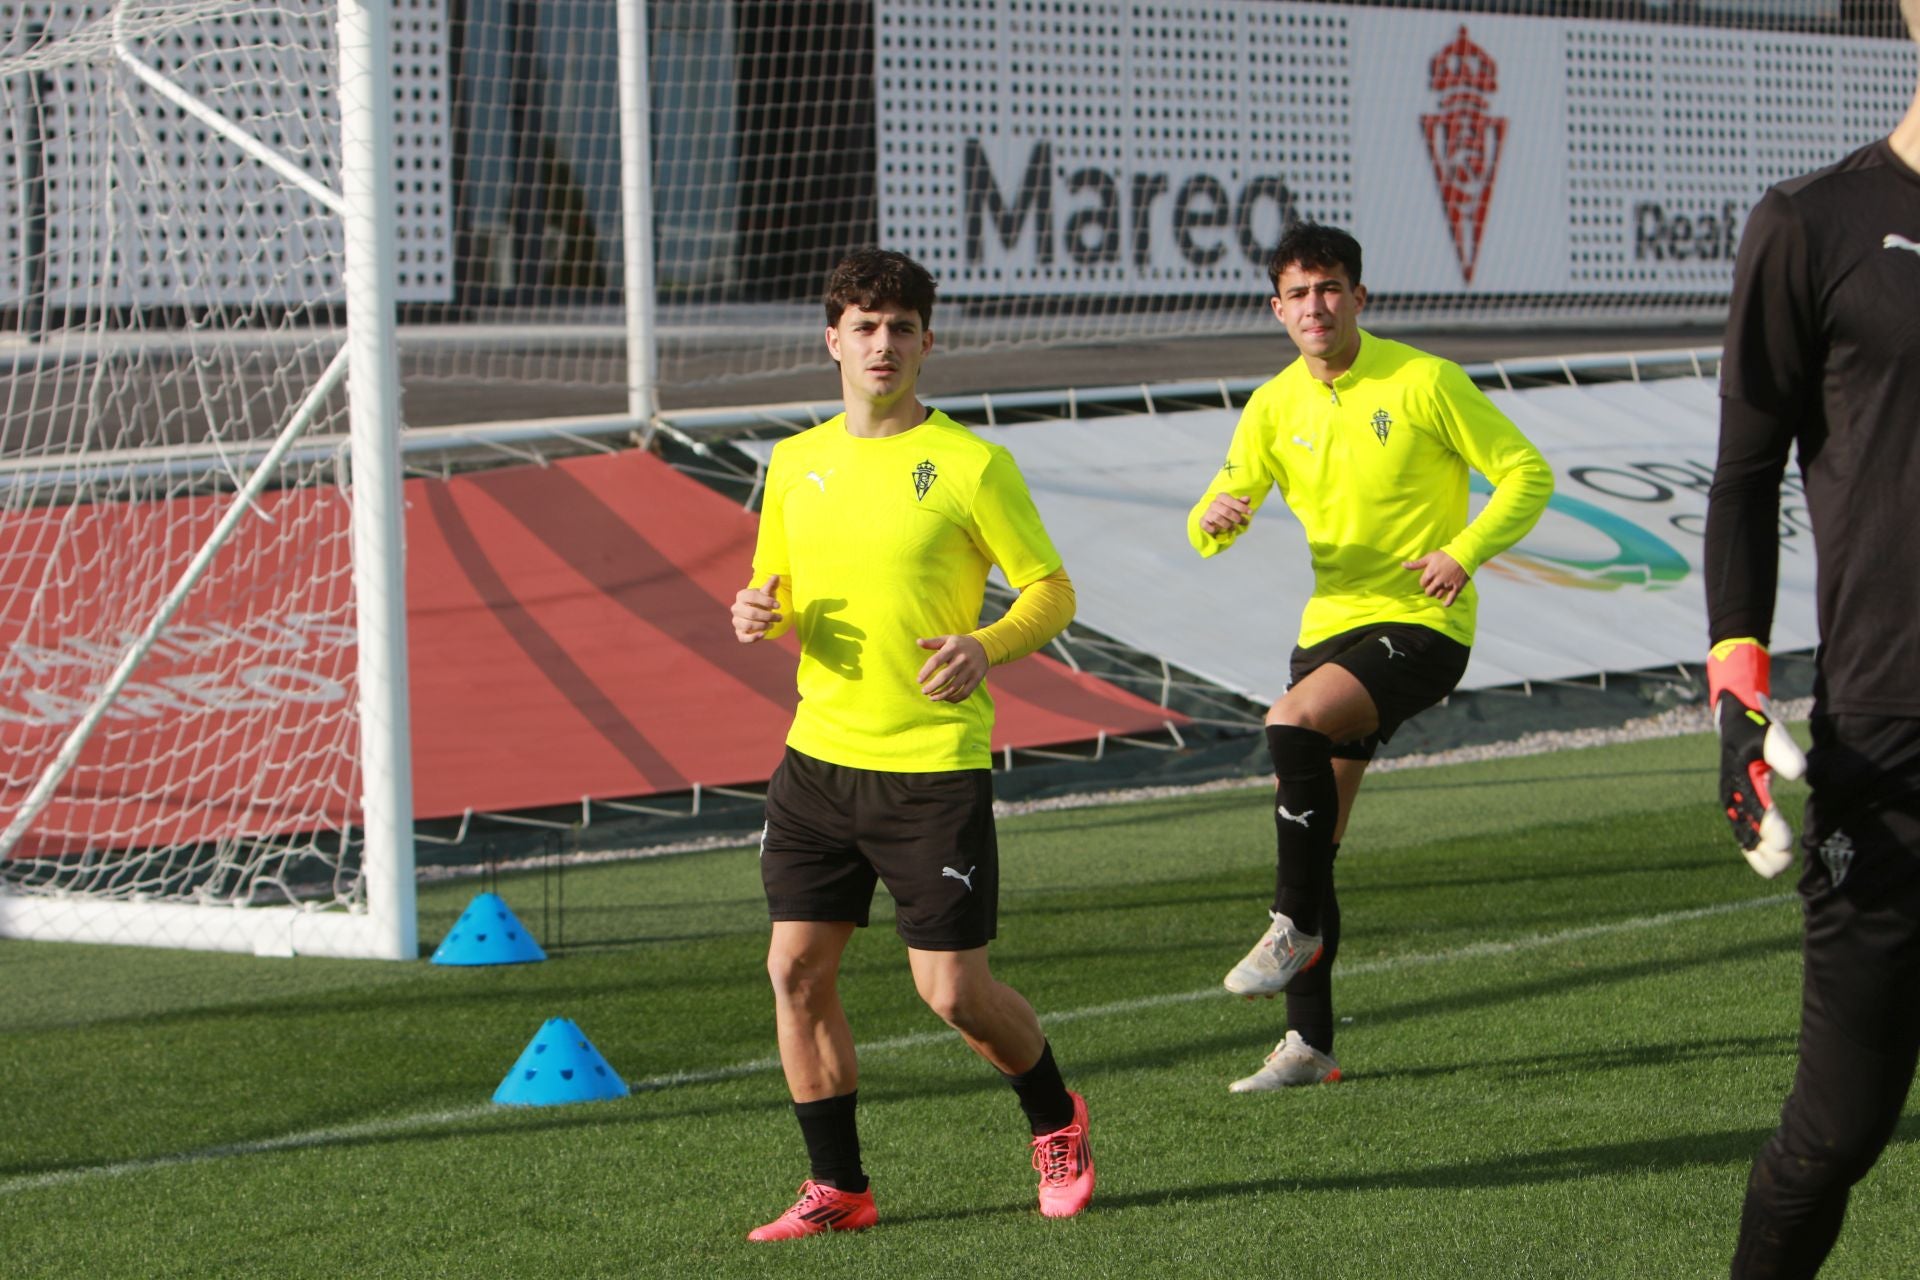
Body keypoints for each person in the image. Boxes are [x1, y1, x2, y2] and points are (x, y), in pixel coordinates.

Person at [728, 248, 1093, 1241]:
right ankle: (838, 1186)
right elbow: (778, 587)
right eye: (864, 324)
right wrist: (756, 610)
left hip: (931, 767)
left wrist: (985, 644)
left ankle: (1056, 1116)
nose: (882, 342)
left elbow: (1052, 590)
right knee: (795, 969)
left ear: (928, 340)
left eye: (900, 326)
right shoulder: (794, 461)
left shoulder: (973, 464)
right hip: (816, 760)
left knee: (953, 992)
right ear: (832, 340)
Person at [1186, 222, 1552, 1092]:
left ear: (1359, 297)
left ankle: (1289, 925)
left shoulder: (1424, 380)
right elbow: (1221, 498)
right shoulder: (1274, 403)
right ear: (1277, 309)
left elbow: (1526, 473)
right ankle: (1308, 1045)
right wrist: (1211, 520)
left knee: (1291, 724)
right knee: (1320, 838)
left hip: (1425, 624)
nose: (1316, 306)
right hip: (1330, 628)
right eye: (1298, 293)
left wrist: (1462, 552)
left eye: (1330, 289)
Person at [1704, 3, 1920, 1272]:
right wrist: (1738, 694)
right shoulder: (1815, 222)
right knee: (1838, 1131)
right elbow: (1744, 478)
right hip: (1889, 744)